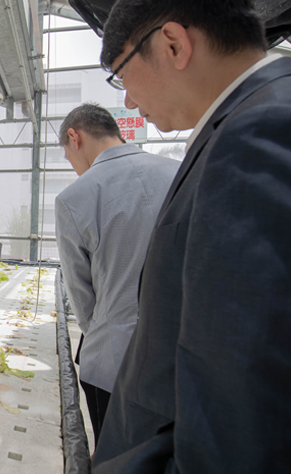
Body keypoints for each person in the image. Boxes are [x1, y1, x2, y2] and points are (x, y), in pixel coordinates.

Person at [93, 0, 291, 472]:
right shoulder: (250, 117)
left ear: (172, 43)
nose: (130, 103)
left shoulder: (262, 132)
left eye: (122, 74)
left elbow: (242, 391)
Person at [55, 103, 179, 445]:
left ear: (74, 137)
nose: (74, 168)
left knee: (116, 453)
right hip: (181, 362)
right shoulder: (180, 172)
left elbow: (81, 298)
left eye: (68, 156)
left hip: (113, 364)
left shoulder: (74, 198)